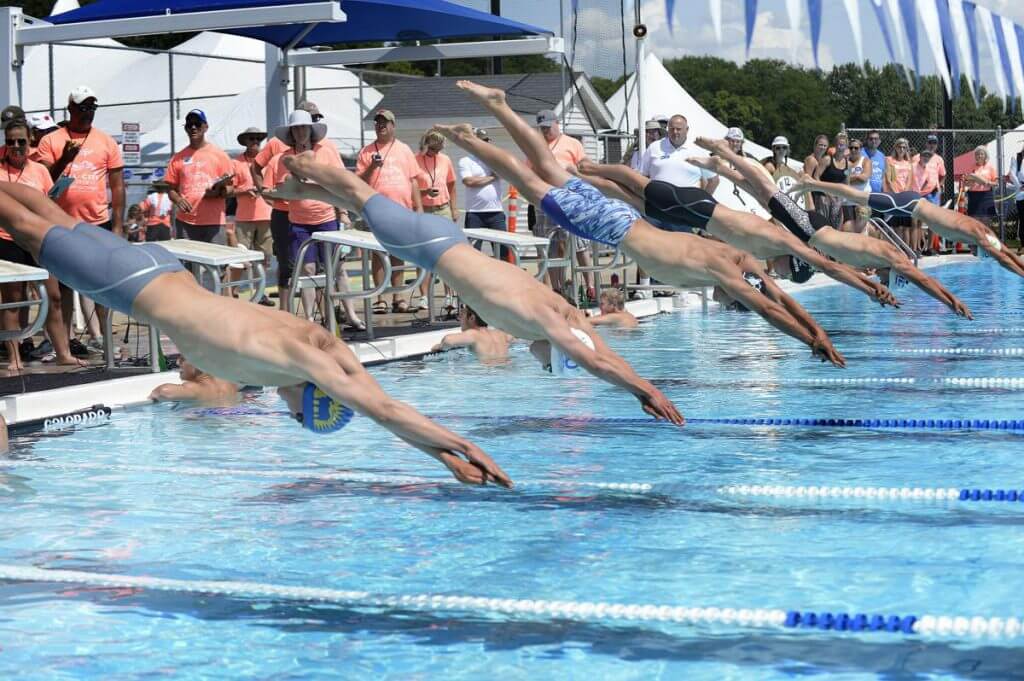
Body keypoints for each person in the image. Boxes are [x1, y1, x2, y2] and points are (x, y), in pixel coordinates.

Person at [0, 181, 510, 488]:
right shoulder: (289, 361)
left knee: (46, 216)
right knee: (24, 224)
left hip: (158, 266)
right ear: (305, 405)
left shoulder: (310, 338)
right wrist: (461, 448)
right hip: (130, 286)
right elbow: (384, 411)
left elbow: (376, 397)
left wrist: (444, 454)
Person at [428, 81, 844, 367]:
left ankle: (492, 116)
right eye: (729, 302)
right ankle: (480, 129)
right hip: (614, 227)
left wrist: (815, 330)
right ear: (735, 293)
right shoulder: (724, 271)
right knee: (534, 183)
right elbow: (769, 307)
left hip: (625, 219)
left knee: (547, 169)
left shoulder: (734, 257)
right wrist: (809, 339)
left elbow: (776, 297)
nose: (722, 303)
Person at [269, 152, 686, 421]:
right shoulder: (546, 321)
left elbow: (600, 350)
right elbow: (596, 360)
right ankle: (300, 164)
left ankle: (299, 186)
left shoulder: (564, 312)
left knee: (364, 204)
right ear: (559, 347)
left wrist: (644, 385)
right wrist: (645, 391)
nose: (541, 364)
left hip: (442, 238)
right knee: (360, 193)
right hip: (429, 247)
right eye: (549, 364)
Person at [693, 138, 971, 318]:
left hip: (816, 232)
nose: (882, 283)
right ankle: (725, 152)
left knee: (764, 199)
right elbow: (923, 280)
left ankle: (720, 166)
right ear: (893, 272)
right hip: (811, 230)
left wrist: (872, 289)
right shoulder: (894, 257)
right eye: (886, 280)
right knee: (767, 190)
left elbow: (848, 270)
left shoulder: (874, 262)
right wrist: (950, 301)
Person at [582, 152, 897, 308]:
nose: (783, 276)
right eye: (789, 273)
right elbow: (829, 266)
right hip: (698, 207)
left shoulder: (763, 256)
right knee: (637, 185)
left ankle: (579, 175)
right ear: (793, 260)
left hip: (696, 217)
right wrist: (868, 287)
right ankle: (589, 167)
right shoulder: (779, 239)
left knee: (629, 198)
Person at [791, 172, 1024, 283]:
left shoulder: (981, 233)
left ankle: (813, 184)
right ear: (982, 246)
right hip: (911, 205)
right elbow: (1004, 258)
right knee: (859, 197)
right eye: (980, 253)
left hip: (914, 205)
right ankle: (812, 183)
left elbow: (1007, 254)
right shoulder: (977, 234)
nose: (975, 254)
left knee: (860, 198)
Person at [36, 85, 125, 355]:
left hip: (96, 223)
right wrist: (65, 158)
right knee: (60, 290)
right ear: (71, 109)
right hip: (59, 223)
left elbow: (118, 185)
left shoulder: (106, 141)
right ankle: (63, 345)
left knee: (101, 284)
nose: (88, 113)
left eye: (92, 108)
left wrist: (119, 225)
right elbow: (42, 179)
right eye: (83, 107)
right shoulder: (51, 141)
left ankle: (106, 341)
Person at [263, 110, 364, 331]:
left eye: (303, 127)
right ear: (291, 133)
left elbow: (339, 183)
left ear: (311, 129)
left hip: (326, 219)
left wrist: (343, 213)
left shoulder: (326, 151)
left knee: (336, 269)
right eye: (296, 128)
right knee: (307, 270)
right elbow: (275, 188)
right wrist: (283, 187)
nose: (300, 132)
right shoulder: (284, 158)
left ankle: (351, 314)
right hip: (298, 221)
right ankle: (309, 320)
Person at [0, 119, 84, 369]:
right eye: (10, 142)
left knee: (54, 297)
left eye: (21, 141)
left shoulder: (39, 171)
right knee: (14, 300)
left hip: (38, 239)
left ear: (30, 142)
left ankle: (63, 353)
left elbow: (49, 205)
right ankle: (15, 358)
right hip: (7, 239)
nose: (16, 146)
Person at [636, 113, 719, 297]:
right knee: (644, 245)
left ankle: (684, 289)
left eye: (679, 129)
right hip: (654, 206)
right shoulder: (654, 148)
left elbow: (713, 180)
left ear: (687, 131)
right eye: (672, 128)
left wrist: (699, 203)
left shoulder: (697, 151)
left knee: (683, 250)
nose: (675, 132)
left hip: (683, 210)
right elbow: (641, 175)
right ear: (667, 130)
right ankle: (644, 288)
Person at [356, 108, 424, 314]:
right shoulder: (366, 151)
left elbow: (413, 180)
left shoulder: (404, 149)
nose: (381, 125)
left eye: (385, 122)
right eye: (377, 122)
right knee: (378, 254)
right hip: (376, 210)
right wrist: (372, 167)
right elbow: (358, 181)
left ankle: (398, 297)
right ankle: (381, 298)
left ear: (393, 126)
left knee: (397, 253)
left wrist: (418, 206)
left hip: (401, 210)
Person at [529, 109, 595, 299]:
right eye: (542, 129)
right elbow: (528, 171)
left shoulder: (572, 144)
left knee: (580, 243)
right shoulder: (535, 146)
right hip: (545, 200)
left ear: (557, 124)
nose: (545, 132)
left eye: (548, 128)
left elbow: (586, 169)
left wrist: (574, 172)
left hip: (570, 199)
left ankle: (590, 285)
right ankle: (557, 289)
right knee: (550, 244)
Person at [164, 109, 234, 243]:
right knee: (187, 263)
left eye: (197, 123)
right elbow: (171, 189)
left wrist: (220, 191)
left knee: (214, 262)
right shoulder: (177, 158)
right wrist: (178, 200)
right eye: (190, 125)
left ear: (206, 127)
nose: (193, 127)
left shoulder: (220, 155)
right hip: (185, 222)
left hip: (214, 222)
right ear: (185, 128)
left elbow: (231, 188)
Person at [414, 128, 458, 311]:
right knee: (422, 254)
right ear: (425, 146)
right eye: (433, 149)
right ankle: (424, 295)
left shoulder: (445, 160)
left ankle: (450, 295)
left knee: (446, 253)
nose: (436, 152)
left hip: (442, 208)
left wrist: (454, 209)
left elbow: (451, 183)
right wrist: (425, 192)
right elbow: (411, 188)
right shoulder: (415, 161)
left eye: (439, 149)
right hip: (423, 209)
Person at [459, 127, 507, 269]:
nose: (484, 144)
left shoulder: (494, 159)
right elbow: (469, 182)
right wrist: (492, 177)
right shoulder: (466, 161)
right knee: (473, 253)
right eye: (481, 141)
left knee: (503, 252)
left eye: (486, 141)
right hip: (475, 214)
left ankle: (503, 283)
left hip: (496, 212)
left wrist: (492, 174)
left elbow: (504, 173)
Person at [232, 127, 273, 287]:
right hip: (244, 218)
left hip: (266, 216)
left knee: (264, 258)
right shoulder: (236, 163)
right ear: (245, 142)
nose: (255, 141)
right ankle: (232, 291)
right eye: (251, 138)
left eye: (258, 138)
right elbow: (228, 191)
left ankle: (260, 293)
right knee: (240, 258)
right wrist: (244, 190)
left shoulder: (269, 162)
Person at [430, 305, 514, 361]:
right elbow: (518, 336)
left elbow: (449, 340)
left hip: (488, 376)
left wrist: (440, 346)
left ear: (472, 318)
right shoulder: (500, 333)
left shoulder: (474, 334)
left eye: (462, 314)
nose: (459, 318)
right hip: (507, 372)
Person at [149, 356, 240, 405]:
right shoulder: (230, 381)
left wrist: (155, 393)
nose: (177, 362)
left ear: (198, 364)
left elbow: (164, 392)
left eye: (183, 359)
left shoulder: (196, 388)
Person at [812, 132, 850, 229]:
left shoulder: (848, 164)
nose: (841, 146)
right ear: (835, 145)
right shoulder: (827, 160)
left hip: (837, 199)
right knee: (822, 226)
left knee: (836, 228)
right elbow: (816, 177)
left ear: (846, 146)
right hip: (823, 197)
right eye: (839, 144)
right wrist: (828, 193)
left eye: (843, 144)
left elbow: (847, 183)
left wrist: (841, 198)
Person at [883, 137, 914, 246]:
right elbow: (889, 178)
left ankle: (906, 250)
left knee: (905, 227)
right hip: (894, 197)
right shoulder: (890, 161)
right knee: (895, 227)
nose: (901, 149)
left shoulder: (908, 163)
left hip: (905, 197)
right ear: (895, 148)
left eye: (904, 147)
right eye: (899, 147)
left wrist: (904, 194)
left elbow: (909, 180)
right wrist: (896, 194)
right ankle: (895, 249)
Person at [910, 148, 941, 253]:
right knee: (914, 223)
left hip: (922, 196)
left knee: (919, 223)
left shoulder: (927, 169)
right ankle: (913, 249)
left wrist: (926, 190)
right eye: (924, 156)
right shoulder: (913, 166)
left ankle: (918, 249)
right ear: (920, 156)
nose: (926, 158)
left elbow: (927, 182)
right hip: (912, 196)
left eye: (928, 156)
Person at [963, 145, 998, 225]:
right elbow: (966, 182)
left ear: (985, 155)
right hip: (973, 195)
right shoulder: (971, 167)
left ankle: (986, 237)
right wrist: (972, 181)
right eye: (977, 154)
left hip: (986, 195)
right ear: (975, 156)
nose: (979, 156)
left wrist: (987, 183)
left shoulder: (990, 167)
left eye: (982, 154)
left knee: (986, 220)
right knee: (974, 220)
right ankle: (976, 237)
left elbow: (996, 183)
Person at [842, 139, 872, 233]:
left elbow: (864, 178)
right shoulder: (844, 161)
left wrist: (848, 179)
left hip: (861, 200)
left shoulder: (866, 161)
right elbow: (840, 180)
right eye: (851, 148)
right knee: (848, 228)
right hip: (847, 201)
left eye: (856, 148)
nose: (853, 150)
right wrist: (857, 177)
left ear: (861, 149)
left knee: (862, 229)